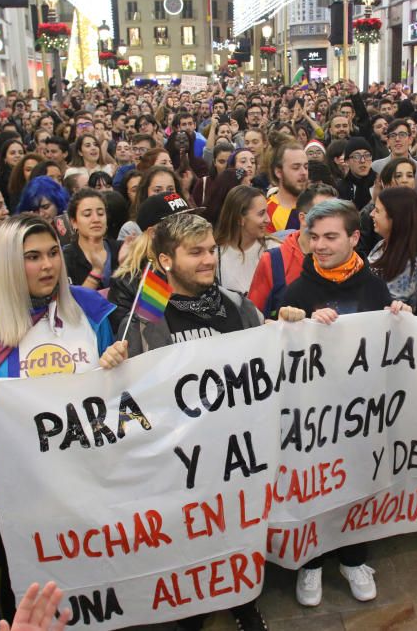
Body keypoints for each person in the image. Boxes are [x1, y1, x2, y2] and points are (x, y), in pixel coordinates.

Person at [0, 215, 127, 628]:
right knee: (28, 591)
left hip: (87, 484)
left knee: (96, 578)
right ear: (6, 265)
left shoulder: (91, 314)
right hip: (13, 498)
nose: (48, 265)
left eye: (53, 252)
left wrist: (117, 371)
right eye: (31, 257)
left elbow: (124, 407)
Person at [115, 212, 267, 630]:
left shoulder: (237, 305)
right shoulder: (147, 319)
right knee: (189, 542)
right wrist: (112, 366)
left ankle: (244, 600)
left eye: (211, 251)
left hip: (237, 456)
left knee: (238, 532)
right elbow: (132, 397)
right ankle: (192, 611)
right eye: (195, 252)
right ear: (165, 261)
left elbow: (267, 360)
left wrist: (290, 326)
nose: (208, 260)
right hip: (181, 463)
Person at [279, 199, 411, 607]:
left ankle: (354, 558)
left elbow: (387, 344)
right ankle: (312, 563)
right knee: (314, 489)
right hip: (312, 419)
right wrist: (288, 323)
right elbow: (273, 353)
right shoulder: (298, 289)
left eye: (330, 236)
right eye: (314, 236)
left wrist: (397, 315)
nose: (319, 245)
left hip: (361, 416)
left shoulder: (372, 284)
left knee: (357, 486)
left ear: (354, 238)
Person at [247, 184, 339, 319]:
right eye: (325, 214)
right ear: (303, 219)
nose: (334, 221)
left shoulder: (347, 257)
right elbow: (252, 319)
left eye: (338, 213)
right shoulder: (273, 261)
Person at [214, 185, 279, 294]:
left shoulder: (276, 250)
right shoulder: (215, 255)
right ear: (240, 219)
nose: (268, 219)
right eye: (261, 213)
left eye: (267, 212)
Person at [368, 186, 417, 309]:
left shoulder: (408, 262)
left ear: (395, 217)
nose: (371, 214)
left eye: (377, 211)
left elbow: (390, 306)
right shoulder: (381, 245)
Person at [62, 189, 115, 289]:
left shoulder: (120, 249)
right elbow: (73, 303)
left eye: (100, 213)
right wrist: (96, 271)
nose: (96, 219)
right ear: (74, 222)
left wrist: (127, 265)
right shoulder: (66, 259)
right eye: (87, 214)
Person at [370, 118, 417, 192]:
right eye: (393, 135)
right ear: (388, 141)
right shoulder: (376, 167)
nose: (397, 139)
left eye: (402, 134)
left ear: (410, 139)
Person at [266, 142, 309, 235]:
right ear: (278, 172)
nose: (304, 172)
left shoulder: (318, 204)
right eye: (296, 167)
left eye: (306, 167)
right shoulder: (267, 211)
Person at [335, 137, 376, 210]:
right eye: (357, 156)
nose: (363, 160)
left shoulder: (379, 183)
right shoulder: (340, 187)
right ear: (347, 161)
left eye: (367, 155)